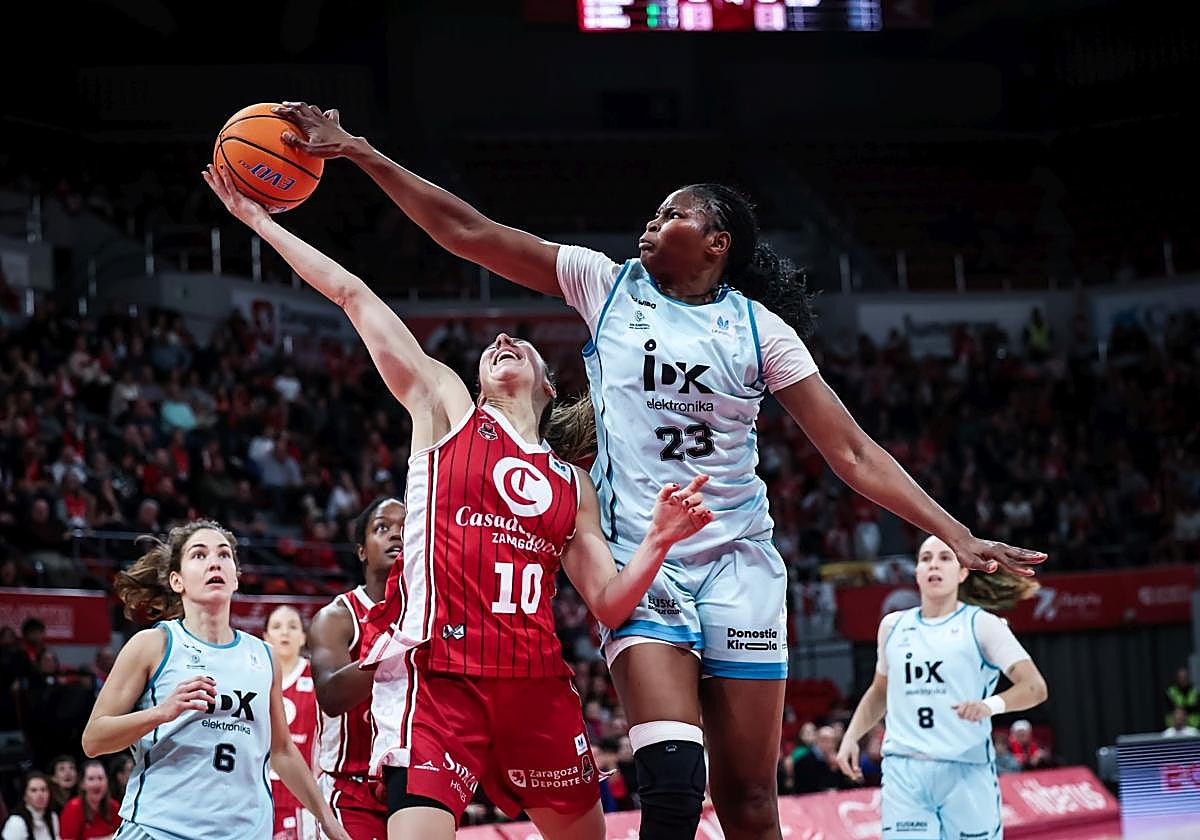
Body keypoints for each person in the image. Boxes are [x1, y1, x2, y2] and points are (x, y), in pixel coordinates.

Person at [270, 102, 1048, 839]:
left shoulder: (762, 332)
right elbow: (469, 231)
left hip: (738, 562)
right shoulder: (606, 284)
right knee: (673, 783)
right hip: (644, 561)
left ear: (717, 243)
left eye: (674, 213)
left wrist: (956, 532)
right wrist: (362, 153)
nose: (652, 221)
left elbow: (851, 453)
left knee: (749, 802)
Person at [203, 162, 715, 840]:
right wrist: (260, 222)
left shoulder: (572, 483)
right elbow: (353, 295)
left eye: (519, 344)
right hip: (441, 680)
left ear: (546, 385)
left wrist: (657, 541)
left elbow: (609, 603)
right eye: (492, 347)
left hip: (536, 684)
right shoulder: (446, 409)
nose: (502, 342)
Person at [80, 520, 351, 840]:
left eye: (224, 555)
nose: (214, 562)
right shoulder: (154, 644)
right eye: (199, 555)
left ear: (236, 577)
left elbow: (282, 751)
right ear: (177, 580)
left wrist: (328, 821)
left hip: (245, 832)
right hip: (159, 828)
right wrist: (161, 713)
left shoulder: (264, 656)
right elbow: (93, 740)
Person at [835, 536, 1050, 840]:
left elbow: (1034, 687)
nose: (933, 564)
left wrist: (988, 706)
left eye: (945, 558)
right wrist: (851, 737)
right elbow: (880, 691)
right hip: (905, 772)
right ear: (917, 573)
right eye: (925, 559)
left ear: (962, 573)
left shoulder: (982, 625)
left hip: (965, 769)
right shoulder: (893, 626)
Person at [308, 498, 405, 840]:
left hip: (415, 786)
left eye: (405, 528)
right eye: (383, 528)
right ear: (362, 551)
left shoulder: (433, 614)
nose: (396, 535)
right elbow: (331, 697)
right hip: (351, 791)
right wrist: (400, 642)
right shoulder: (337, 617)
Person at [263, 605, 320, 840]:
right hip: (260, 794)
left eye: (293, 626)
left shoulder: (318, 677)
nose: (285, 632)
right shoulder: (255, 677)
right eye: (277, 627)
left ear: (303, 638)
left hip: (304, 797)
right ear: (266, 637)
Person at [58, 760, 121, 839]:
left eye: (100, 778)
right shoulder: (73, 808)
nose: (96, 783)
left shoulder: (115, 807)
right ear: (82, 784)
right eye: (91, 779)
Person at [1, 772, 60, 840]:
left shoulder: (53, 816)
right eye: (33, 790)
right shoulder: (17, 822)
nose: (40, 795)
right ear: (24, 796)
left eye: (43, 790)